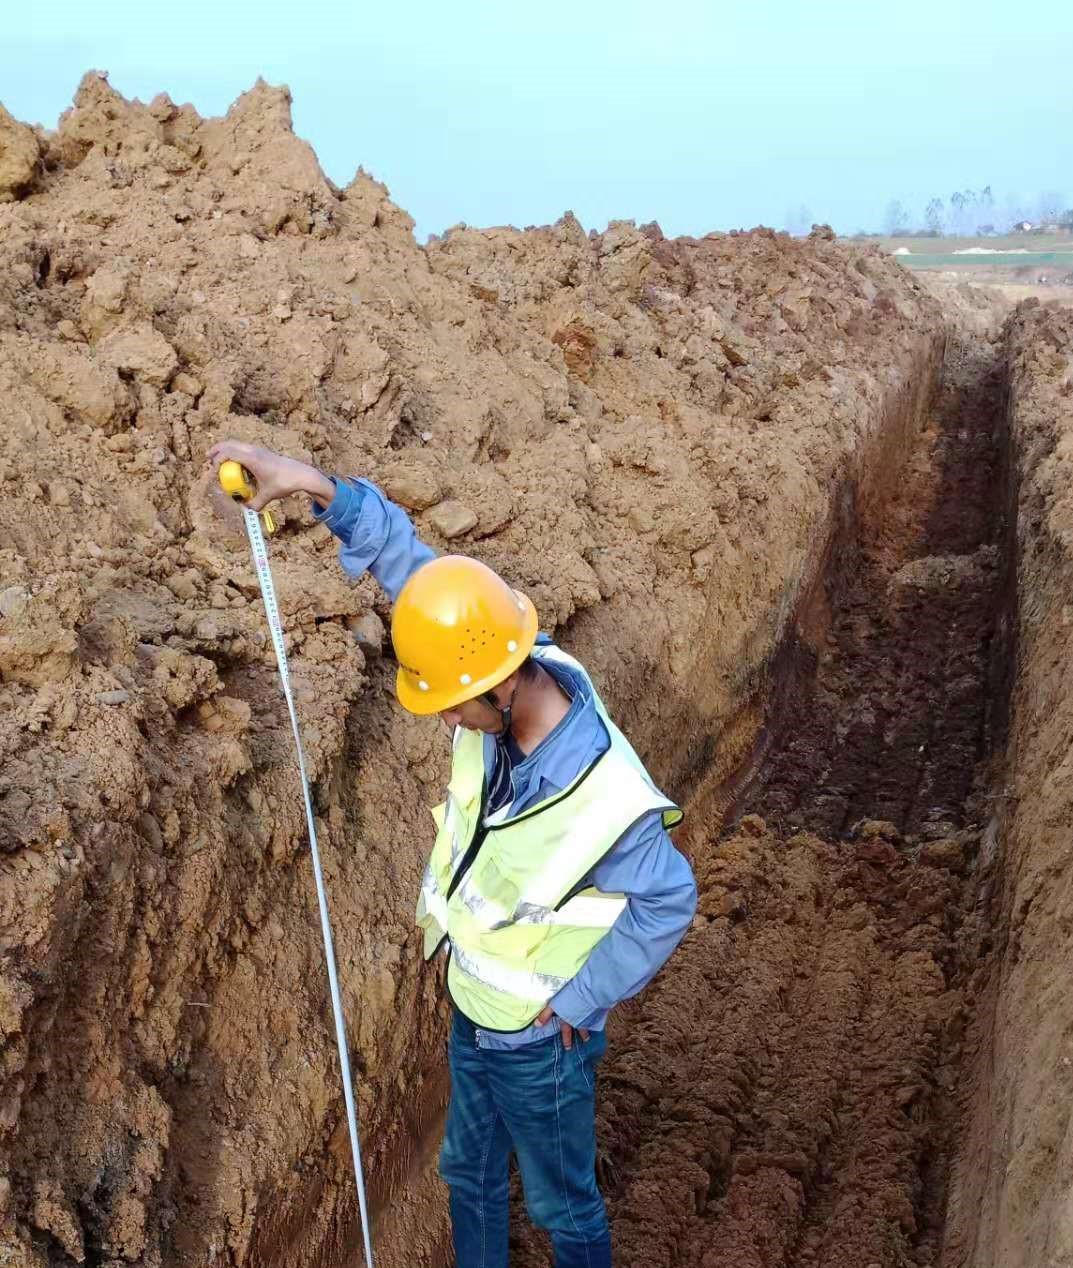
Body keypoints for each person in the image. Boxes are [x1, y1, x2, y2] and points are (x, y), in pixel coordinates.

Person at [207, 441, 698, 1268]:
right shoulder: (504, 658)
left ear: (499, 687)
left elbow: (668, 899)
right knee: (465, 1169)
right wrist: (315, 487)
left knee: (558, 1203)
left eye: (449, 708)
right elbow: (422, 580)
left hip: (539, 1040)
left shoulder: (604, 802)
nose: (442, 722)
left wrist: (578, 1001)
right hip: (473, 1009)